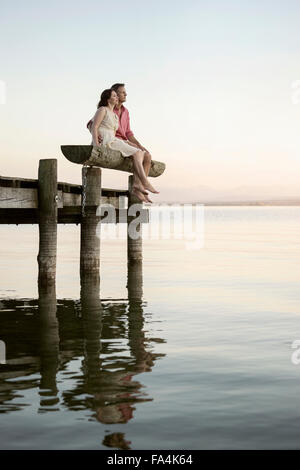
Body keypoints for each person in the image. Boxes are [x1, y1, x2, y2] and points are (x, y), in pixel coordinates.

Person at [88, 84, 158, 203]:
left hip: (121, 141)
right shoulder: (106, 108)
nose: (125, 94)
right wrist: (97, 136)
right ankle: (142, 183)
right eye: (122, 92)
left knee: (147, 155)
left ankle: (138, 186)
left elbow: (128, 132)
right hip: (111, 140)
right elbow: (91, 124)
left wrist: (139, 145)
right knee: (138, 154)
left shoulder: (125, 112)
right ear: (113, 94)